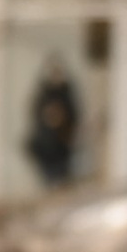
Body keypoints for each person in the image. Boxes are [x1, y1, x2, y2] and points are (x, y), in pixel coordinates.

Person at [27, 56, 81, 188]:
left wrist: (64, 122)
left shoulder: (67, 93)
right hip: (46, 146)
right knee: (49, 181)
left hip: (62, 145)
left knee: (62, 180)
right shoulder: (44, 94)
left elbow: (74, 115)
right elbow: (36, 114)